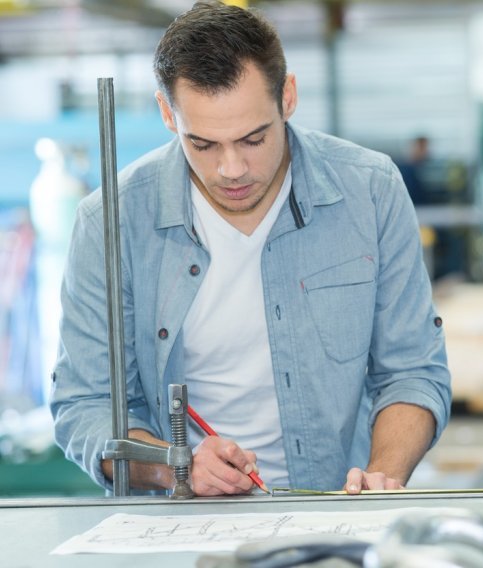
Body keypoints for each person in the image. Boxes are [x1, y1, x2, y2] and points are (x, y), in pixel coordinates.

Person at [50, 1, 451, 497]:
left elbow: (412, 371)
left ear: (288, 97)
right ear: (166, 113)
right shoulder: (110, 222)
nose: (232, 169)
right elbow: (85, 406)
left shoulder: (369, 191)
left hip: (336, 506)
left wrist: (380, 477)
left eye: (253, 138)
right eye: (204, 144)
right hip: (183, 523)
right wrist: (175, 467)